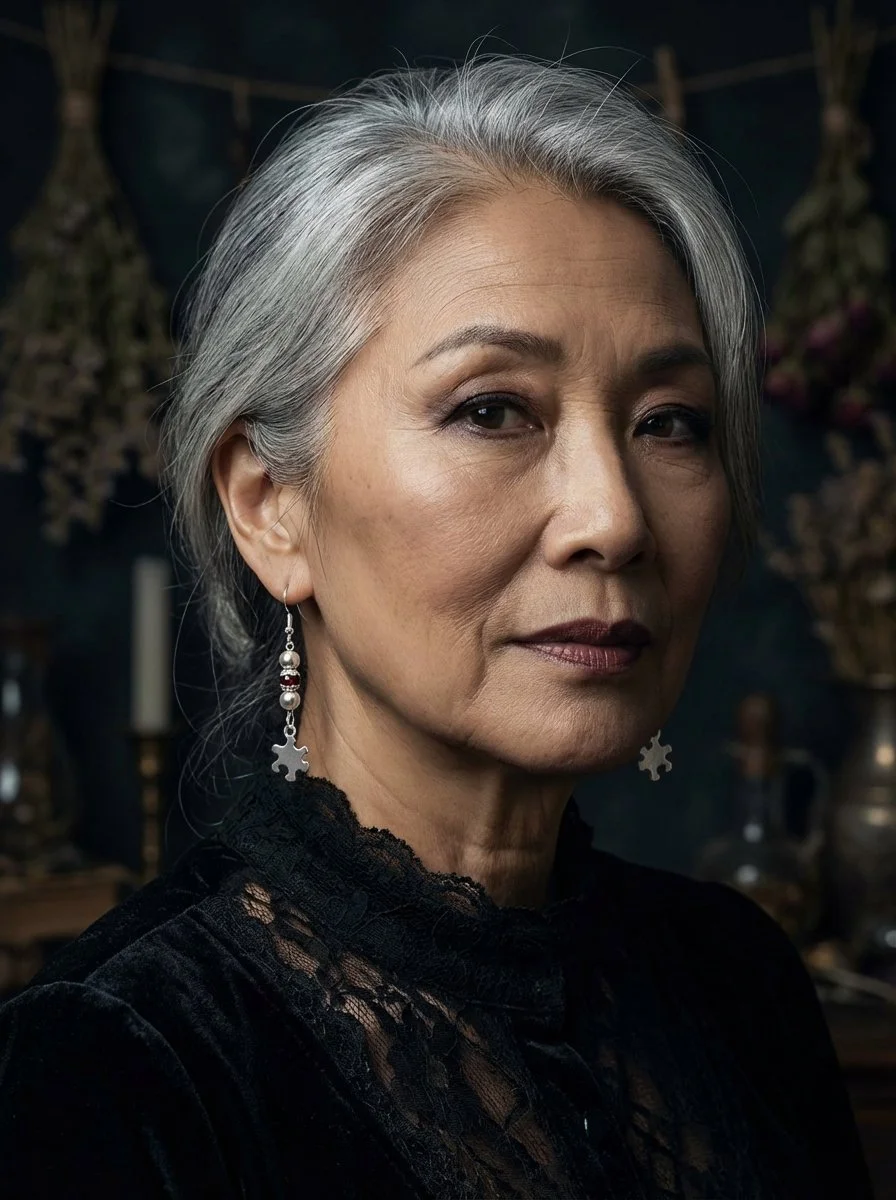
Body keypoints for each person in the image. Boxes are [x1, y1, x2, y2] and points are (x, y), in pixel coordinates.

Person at [0, 53, 874, 1200]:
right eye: (491, 409)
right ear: (272, 507)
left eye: (668, 423)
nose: (611, 518)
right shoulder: (119, 1061)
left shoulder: (737, 980)